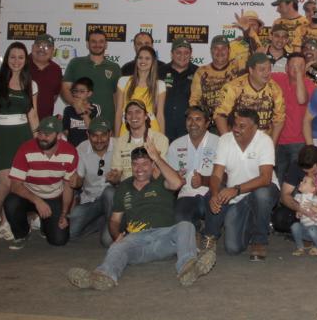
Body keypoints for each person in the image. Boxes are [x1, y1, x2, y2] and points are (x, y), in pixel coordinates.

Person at [67, 143, 216, 290]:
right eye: (135, 164)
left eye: (145, 164)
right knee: (118, 247)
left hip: (164, 239)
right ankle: (102, 276)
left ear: (152, 165)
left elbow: (177, 183)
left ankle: (188, 268)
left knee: (186, 226)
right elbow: (114, 220)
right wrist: (116, 235)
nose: (139, 169)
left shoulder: (161, 182)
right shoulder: (124, 187)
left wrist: (157, 157)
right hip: (137, 241)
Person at [0, 42, 40, 241]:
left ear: (26, 60)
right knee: (6, 183)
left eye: (21, 57)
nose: (16, 61)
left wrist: (38, 143)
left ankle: (7, 223)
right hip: (0, 136)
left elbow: (33, 116)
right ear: (7, 59)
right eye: (13, 57)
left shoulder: (31, 84)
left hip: (22, 135)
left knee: (17, 183)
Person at [206, 108, 280, 261]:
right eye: (235, 124)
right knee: (233, 248)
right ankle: (249, 222)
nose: (236, 129)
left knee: (261, 194)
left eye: (242, 126)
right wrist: (214, 194)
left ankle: (259, 241)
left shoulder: (264, 141)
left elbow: (265, 178)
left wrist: (236, 189)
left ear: (255, 128)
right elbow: (216, 175)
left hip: (262, 191)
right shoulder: (225, 140)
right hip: (239, 198)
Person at [3, 115, 78, 249]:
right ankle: (22, 234)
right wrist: (37, 201)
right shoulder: (25, 149)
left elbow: (68, 187)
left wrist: (64, 214)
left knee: (59, 241)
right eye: (40, 133)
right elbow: (15, 186)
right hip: (29, 196)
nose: (42, 137)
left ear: (59, 136)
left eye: (47, 134)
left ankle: (45, 224)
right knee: (11, 202)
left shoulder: (70, 152)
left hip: (54, 197)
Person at [165, 106, 220, 249]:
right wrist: (177, 178)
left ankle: (210, 235)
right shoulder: (176, 145)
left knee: (216, 202)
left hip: (211, 192)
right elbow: (170, 178)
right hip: (186, 194)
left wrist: (204, 181)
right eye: (189, 119)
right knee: (180, 218)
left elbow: (225, 176)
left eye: (198, 119)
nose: (193, 123)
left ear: (207, 123)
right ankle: (195, 229)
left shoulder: (219, 142)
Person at [62, 29, 121, 134]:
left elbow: (117, 99)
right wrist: (75, 104)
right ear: (87, 44)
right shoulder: (75, 63)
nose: (97, 44)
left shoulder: (114, 67)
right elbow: (65, 88)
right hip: (79, 124)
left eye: (101, 41)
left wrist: (116, 127)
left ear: (106, 44)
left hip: (106, 124)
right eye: (93, 41)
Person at [214, 53, 285, 139]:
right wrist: (226, 140)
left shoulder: (275, 89)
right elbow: (220, 115)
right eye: (262, 69)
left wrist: (272, 143)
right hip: (237, 138)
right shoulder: (233, 87)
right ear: (251, 70)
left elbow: (279, 120)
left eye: (269, 69)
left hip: (263, 140)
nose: (267, 73)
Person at [68, 118, 115, 248]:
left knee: (109, 192)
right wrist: (76, 181)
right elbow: (79, 180)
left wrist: (117, 180)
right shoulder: (81, 148)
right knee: (71, 233)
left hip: (113, 200)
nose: (99, 140)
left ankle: (111, 221)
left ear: (110, 134)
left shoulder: (119, 146)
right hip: (91, 200)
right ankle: (102, 220)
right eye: (94, 135)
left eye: (103, 135)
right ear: (88, 134)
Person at [271, 52, 315, 181]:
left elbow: (301, 99)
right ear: (286, 68)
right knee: (278, 178)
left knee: (294, 181)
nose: (296, 69)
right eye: (293, 66)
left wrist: (300, 76)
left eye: (300, 66)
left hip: (299, 141)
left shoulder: (309, 85)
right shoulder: (278, 78)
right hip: (277, 140)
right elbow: (258, 75)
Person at [189, 35, 244, 128]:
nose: (220, 52)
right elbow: (195, 99)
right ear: (211, 51)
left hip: (233, 125)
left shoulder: (238, 69)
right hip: (208, 126)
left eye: (223, 48)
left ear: (229, 50)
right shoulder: (201, 72)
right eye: (216, 48)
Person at [109, 100, 170, 182]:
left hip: (152, 184)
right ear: (126, 118)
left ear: (146, 116)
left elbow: (161, 172)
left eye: (138, 112)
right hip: (127, 186)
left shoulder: (160, 139)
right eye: (129, 113)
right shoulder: (119, 142)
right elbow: (117, 173)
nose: (133, 116)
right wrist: (113, 177)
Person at [114, 45, 166, 136]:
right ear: (136, 60)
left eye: (147, 58)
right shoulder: (123, 81)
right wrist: (116, 137)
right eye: (140, 58)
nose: (143, 61)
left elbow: (160, 115)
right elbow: (118, 112)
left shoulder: (159, 85)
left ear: (153, 62)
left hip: (151, 131)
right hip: (127, 130)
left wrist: (162, 139)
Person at [163, 37, 199, 143]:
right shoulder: (159, 71)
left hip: (189, 131)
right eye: (178, 52)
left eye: (186, 53)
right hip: (164, 129)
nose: (182, 56)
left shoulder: (198, 72)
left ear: (191, 54)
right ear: (172, 54)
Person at [28, 33, 62, 120]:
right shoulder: (21, 64)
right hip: (21, 122)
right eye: (39, 45)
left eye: (47, 47)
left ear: (52, 51)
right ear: (32, 47)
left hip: (45, 124)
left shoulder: (56, 70)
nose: (42, 49)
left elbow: (54, 96)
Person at [62, 77, 99, 147]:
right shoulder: (68, 109)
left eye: (82, 91)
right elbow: (66, 131)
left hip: (89, 147)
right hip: (73, 146)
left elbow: (93, 130)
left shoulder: (95, 108)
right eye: (75, 91)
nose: (77, 94)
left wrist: (82, 111)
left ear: (89, 93)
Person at [292, 174, 317, 255]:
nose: (301, 182)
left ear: (313, 189)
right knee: (295, 226)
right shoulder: (298, 197)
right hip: (304, 228)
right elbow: (297, 212)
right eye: (302, 180)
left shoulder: (316, 199)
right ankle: (300, 247)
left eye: (305, 182)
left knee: (312, 229)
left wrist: (312, 206)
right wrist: (298, 213)